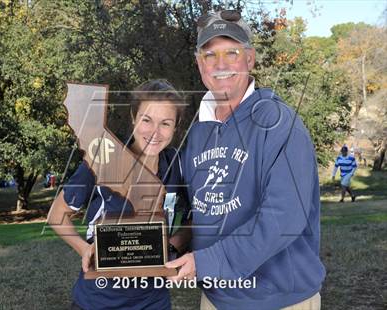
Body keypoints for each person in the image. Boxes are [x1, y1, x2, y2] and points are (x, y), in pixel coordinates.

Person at [165, 10, 326, 310]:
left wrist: (206, 262)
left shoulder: (280, 124)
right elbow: (199, 210)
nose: (221, 64)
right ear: (199, 64)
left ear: (250, 59)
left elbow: (283, 219)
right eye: (210, 55)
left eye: (232, 53)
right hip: (215, 299)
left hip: (278, 301)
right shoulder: (198, 131)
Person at [48, 79, 189, 310]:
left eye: (165, 123)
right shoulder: (102, 157)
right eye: (147, 120)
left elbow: (197, 218)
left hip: (153, 302)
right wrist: (85, 249)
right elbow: (57, 213)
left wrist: (172, 246)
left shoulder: (179, 166)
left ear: (176, 126)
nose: (155, 131)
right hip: (97, 301)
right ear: (134, 117)